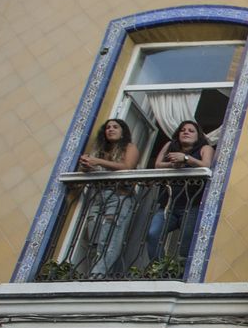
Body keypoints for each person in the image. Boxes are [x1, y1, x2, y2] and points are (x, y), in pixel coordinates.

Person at [74, 118, 141, 277]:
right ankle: (94, 272)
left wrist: (97, 161)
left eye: (115, 127)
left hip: (119, 196)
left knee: (110, 238)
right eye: (108, 127)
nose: (110, 129)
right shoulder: (100, 150)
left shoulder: (129, 147)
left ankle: (97, 275)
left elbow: (127, 167)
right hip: (99, 196)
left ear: (122, 132)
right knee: (94, 238)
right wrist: (87, 167)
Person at [145, 120, 213, 264]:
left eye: (191, 130)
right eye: (183, 130)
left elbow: (206, 165)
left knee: (185, 244)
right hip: (168, 205)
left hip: (192, 205)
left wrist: (186, 159)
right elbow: (158, 165)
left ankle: (180, 272)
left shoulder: (205, 148)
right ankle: (158, 268)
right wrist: (173, 164)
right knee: (153, 234)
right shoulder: (170, 145)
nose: (186, 132)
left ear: (198, 136)